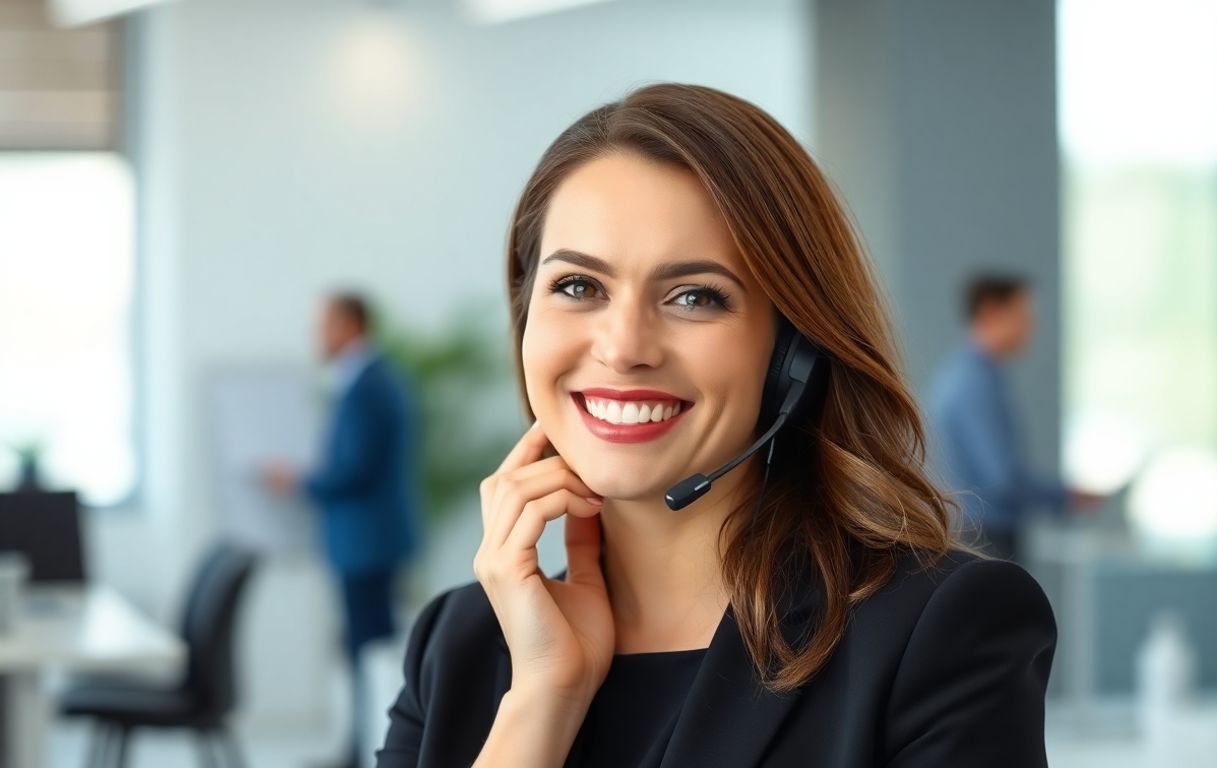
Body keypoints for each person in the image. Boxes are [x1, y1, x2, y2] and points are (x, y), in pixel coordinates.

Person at [377, 84, 1055, 767]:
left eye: (695, 296)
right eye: (579, 287)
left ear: (793, 351)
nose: (623, 346)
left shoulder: (937, 630)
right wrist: (543, 700)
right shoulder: (456, 644)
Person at [263, 292, 418, 768]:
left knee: (370, 656)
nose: (317, 336)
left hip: (366, 544)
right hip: (364, 542)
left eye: (324, 324)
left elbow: (354, 469)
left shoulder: (369, 385)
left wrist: (299, 479)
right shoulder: (369, 380)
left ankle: (371, 753)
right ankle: (361, 748)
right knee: (364, 654)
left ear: (350, 324)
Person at [927, 274, 1098, 561]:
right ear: (991, 313)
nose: (1031, 327)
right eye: (1022, 315)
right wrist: (1064, 496)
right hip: (986, 537)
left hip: (977, 533)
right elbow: (1002, 479)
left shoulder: (969, 376)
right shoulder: (974, 384)